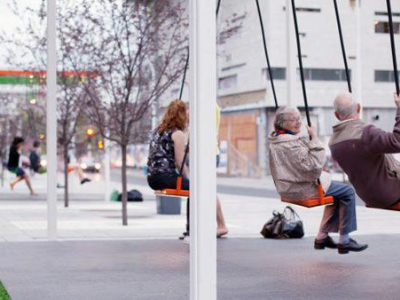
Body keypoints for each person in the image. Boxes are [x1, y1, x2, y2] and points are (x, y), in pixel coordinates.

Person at [269, 107, 367, 254]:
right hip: (301, 189)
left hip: (288, 186)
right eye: (293, 119)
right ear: (282, 123)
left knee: (334, 195)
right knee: (347, 192)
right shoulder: (290, 144)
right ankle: (344, 240)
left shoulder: (276, 140)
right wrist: (314, 138)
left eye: (299, 118)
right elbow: (313, 167)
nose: (298, 122)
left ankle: (322, 237)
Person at [147, 99, 228, 241]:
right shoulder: (177, 134)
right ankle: (193, 229)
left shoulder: (157, 131)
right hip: (165, 176)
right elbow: (180, 162)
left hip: (152, 178)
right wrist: (188, 178)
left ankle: (191, 229)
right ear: (181, 115)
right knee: (197, 189)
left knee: (192, 189)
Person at [329, 91, 400, 209]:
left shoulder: (333, 143)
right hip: (393, 194)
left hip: (370, 199)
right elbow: (397, 141)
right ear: (358, 108)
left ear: (336, 115)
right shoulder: (366, 134)